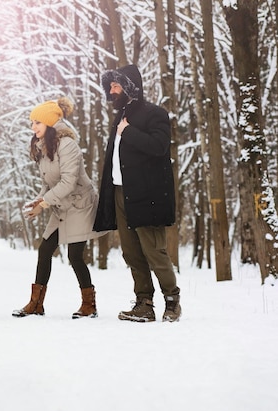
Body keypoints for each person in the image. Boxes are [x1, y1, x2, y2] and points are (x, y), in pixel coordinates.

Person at [93, 64, 182, 322]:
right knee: (131, 252)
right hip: (122, 193)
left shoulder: (154, 114)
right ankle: (144, 303)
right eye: (110, 86)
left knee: (154, 250)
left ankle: (172, 301)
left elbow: (159, 145)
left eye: (116, 85)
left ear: (130, 86)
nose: (112, 91)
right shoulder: (118, 118)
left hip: (148, 194)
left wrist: (129, 132)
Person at [13, 97, 107, 319]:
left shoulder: (67, 145)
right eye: (32, 122)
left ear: (50, 123)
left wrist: (44, 204)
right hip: (60, 205)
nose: (32, 127)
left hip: (79, 204)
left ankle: (89, 305)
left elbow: (68, 182)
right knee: (45, 249)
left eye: (37, 122)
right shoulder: (43, 146)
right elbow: (48, 185)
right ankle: (36, 304)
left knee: (75, 255)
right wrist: (37, 203)